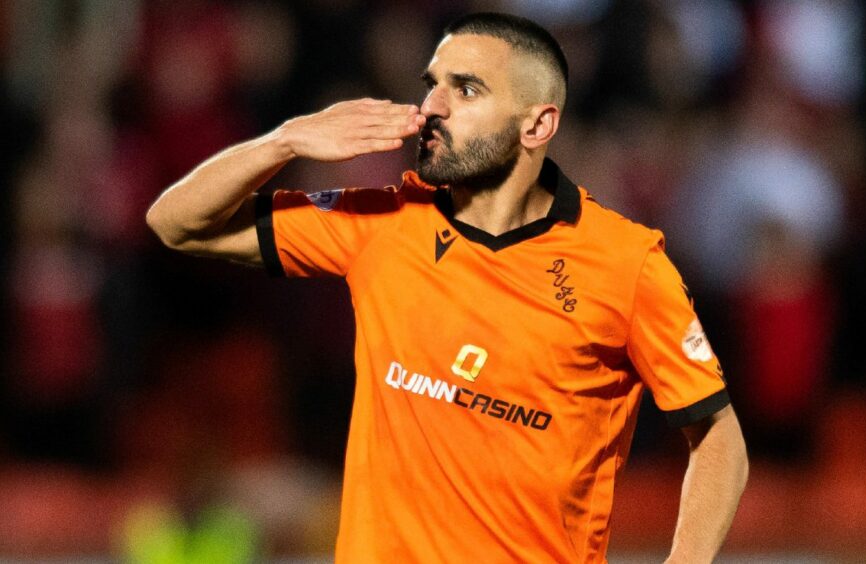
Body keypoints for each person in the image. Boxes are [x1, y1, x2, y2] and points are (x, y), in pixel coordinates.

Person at [146, 12, 748, 563]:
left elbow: (718, 437)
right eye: (432, 83)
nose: (432, 104)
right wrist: (284, 141)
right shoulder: (382, 223)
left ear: (537, 124)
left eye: (466, 89)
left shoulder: (626, 263)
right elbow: (175, 223)